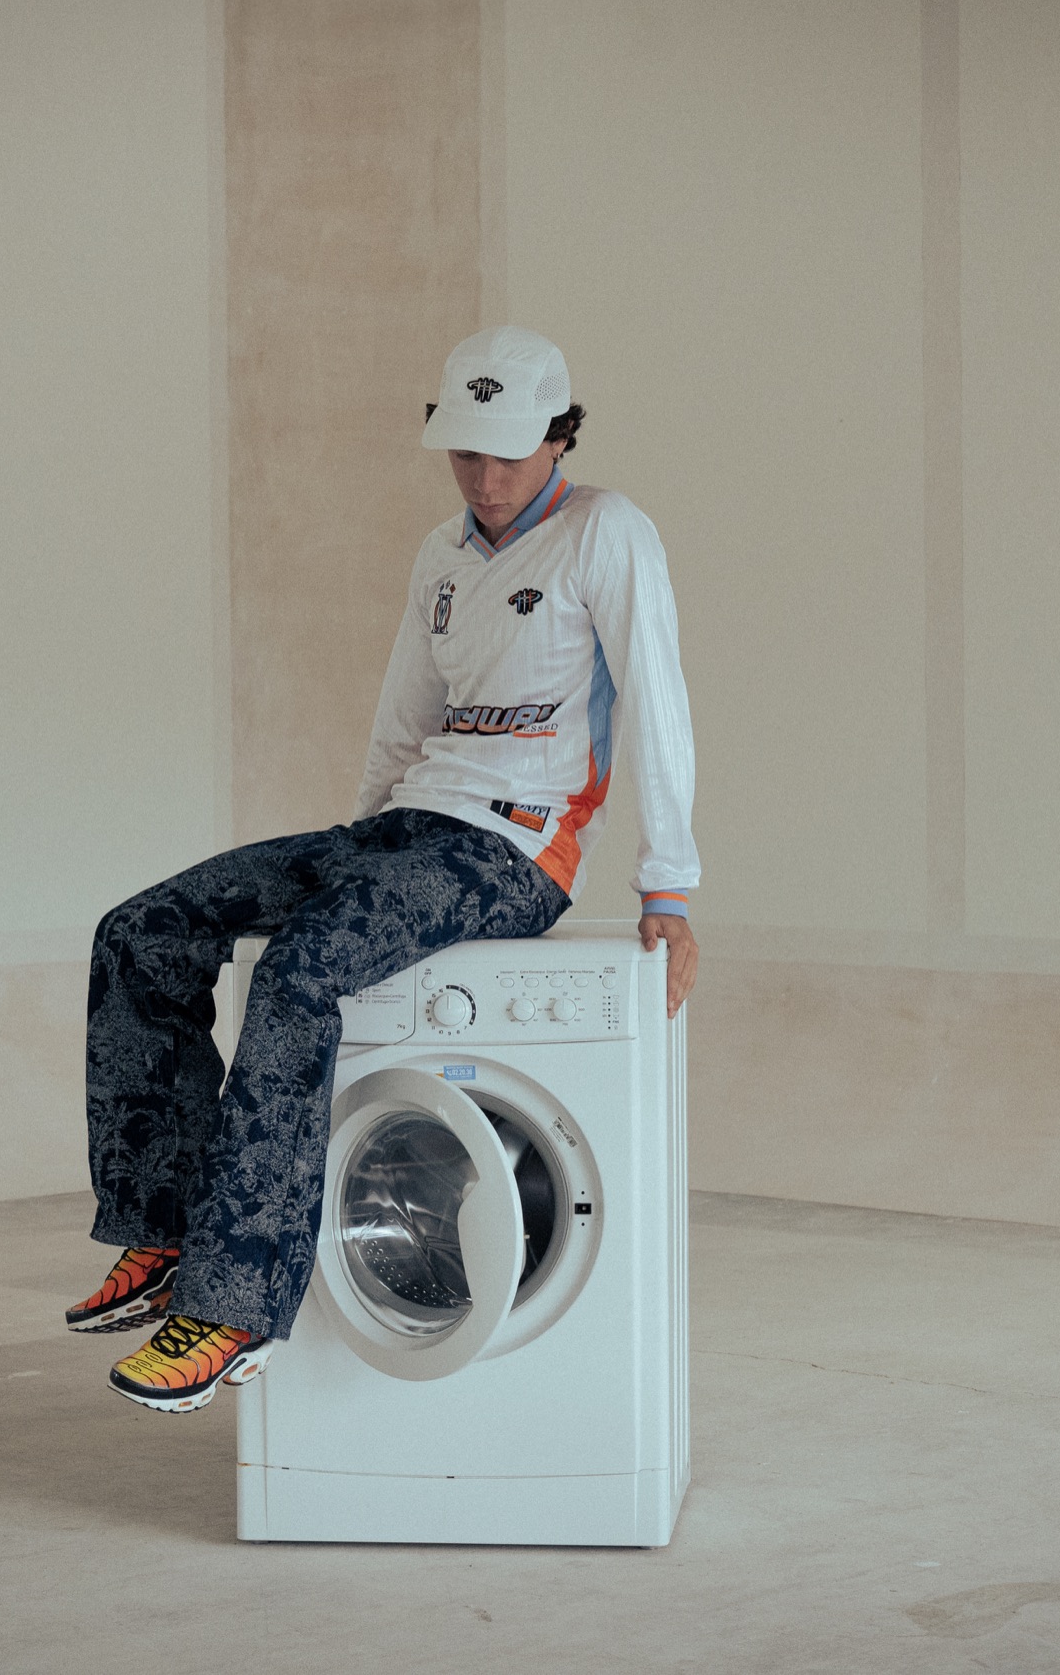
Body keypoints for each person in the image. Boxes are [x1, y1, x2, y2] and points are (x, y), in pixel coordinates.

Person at [68, 326, 701, 1414]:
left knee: (301, 971)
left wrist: (668, 888)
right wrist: (352, 854)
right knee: (143, 929)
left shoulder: (606, 533)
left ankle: (233, 1307)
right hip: (404, 832)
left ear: (559, 435)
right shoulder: (441, 556)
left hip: (515, 850)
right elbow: (402, 722)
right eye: (466, 452)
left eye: (509, 452)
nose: (486, 477)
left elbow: (657, 701)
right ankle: (166, 1228)